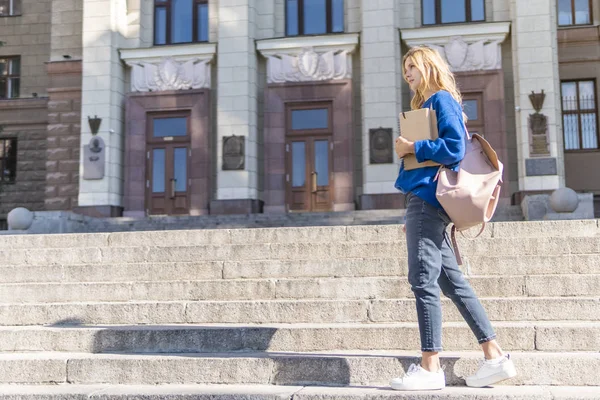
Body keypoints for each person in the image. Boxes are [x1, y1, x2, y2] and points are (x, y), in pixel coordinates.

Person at [389, 46, 517, 391]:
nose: (408, 72)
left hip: (429, 202)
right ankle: (494, 357)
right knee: (451, 283)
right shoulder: (431, 105)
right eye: (405, 68)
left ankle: (430, 367)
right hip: (426, 202)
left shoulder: (440, 100)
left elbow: (454, 149)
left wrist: (411, 148)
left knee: (422, 280)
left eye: (413, 65)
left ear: (429, 66)